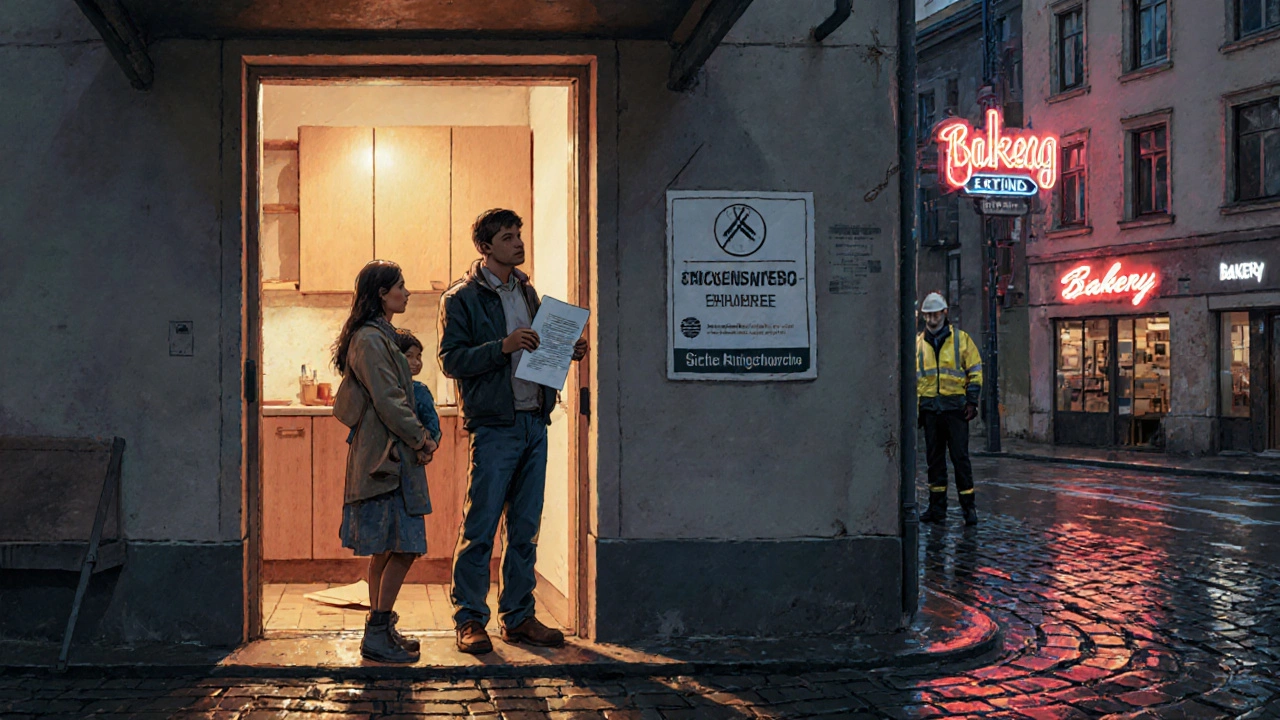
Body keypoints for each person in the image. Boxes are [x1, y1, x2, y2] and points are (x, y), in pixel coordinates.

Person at [438, 208, 587, 655]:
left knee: (525, 528)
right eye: (507, 237)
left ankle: (518, 617)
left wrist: (568, 350)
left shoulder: (526, 289)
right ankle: (469, 619)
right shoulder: (460, 298)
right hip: (495, 426)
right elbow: (450, 360)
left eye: (519, 235)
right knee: (480, 526)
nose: (518, 243)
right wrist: (501, 346)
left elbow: (539, 349)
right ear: (485, 247)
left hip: (533, 421)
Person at [331, 260, 438, 664]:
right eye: (401, 286)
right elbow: (390, 399)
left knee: (387, 549)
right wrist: (421, 437)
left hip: (387, 456)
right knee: (403, 546)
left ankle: (381, 629)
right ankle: (376, 634)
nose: (407, 293)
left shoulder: (378, 336)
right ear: (381, 293)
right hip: (387, 458)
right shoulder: (372, 339)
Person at [916, 291, 983, 526]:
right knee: (934, 462)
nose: (932, 318)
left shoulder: (961, 340)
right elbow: (914, 380)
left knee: (960, 459)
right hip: (930, 410)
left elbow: (974, 370)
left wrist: (972, 401)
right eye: (928, 315)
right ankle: (937, 510)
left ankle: (969, 509)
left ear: (945, 313)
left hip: (955, 409)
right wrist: (917, 411)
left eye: (935, 313)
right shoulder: (917, 344)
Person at [395, 328, 444, 450]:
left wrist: (428, 445)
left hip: (414, 453)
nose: (416, 362)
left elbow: (432, 425)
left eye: (418, 357)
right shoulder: (384, 389)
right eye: (409, 356)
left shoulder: (420, 391)